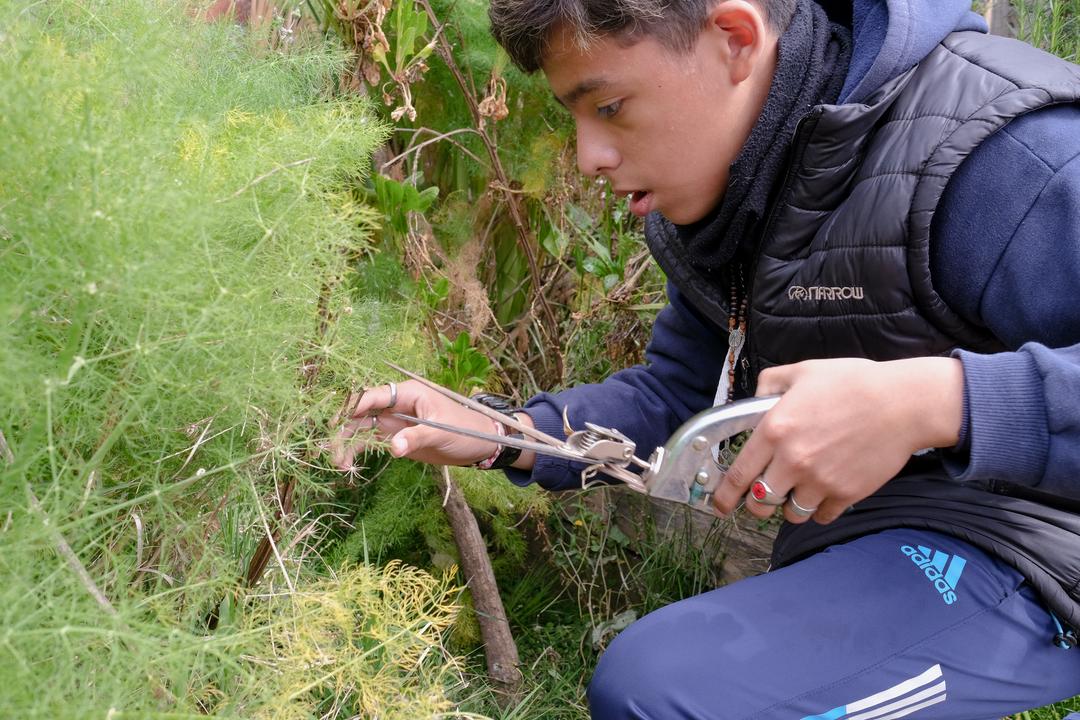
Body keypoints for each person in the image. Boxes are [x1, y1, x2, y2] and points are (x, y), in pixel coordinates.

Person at [334, 0, 1080, 717]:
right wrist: (502, 434)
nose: (588, 155)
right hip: (888, 533)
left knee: (665, 692)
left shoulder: (1002, 155)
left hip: (1042, 550)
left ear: (734, 39)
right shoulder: (750, 187)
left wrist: (933, 402)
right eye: (573, 115)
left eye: (609, 106)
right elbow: (681, 397)